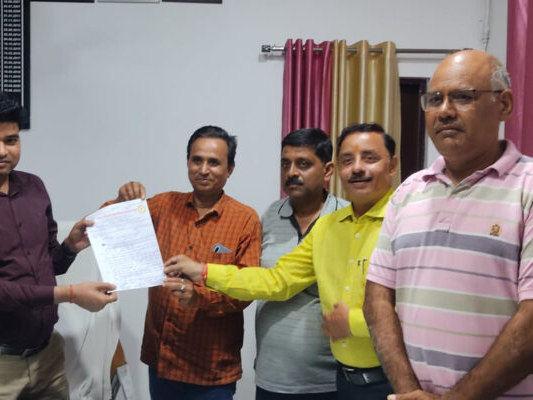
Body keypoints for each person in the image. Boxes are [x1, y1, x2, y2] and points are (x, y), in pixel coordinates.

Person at [364, 50, 533, 400]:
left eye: (462, 97)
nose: (444, 111)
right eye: (434, 99)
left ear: (504, 105)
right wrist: (408, 390)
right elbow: (377, 299)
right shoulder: (408, 192)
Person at [165, 123, 399, 400]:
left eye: (369, 158)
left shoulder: (406, 221)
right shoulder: (327, 227)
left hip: (382, 378)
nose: (357, 168)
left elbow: (418, 311)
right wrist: (203, 271)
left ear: (392, 166)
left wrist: (354, 323)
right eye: (348, 160)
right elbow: (276, 280)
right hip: (312, 378)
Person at [0, 90, 117, 400]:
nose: (2, 150)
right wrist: (71, 294)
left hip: (47, 356)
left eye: (11, 140)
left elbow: (47, 266)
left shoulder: (33, 187)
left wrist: (69, 247)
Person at [108, 125, 261, 400]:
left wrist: (198, 296)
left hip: (211, 368)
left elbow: (247, 289)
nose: (203, 169)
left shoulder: (245, 219)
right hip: (162, 360)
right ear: (187, 162)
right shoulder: (164, 205)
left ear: (230, 169)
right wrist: (121, 202)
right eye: (196, 160)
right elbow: (109, 230)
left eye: (214, 162)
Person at [256, 128, 348, 400]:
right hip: (270, 375)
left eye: (303, 164)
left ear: (328, 170)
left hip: (327, 381)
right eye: (285, 164)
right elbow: (258, 280)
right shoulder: (271, 215)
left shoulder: (347, 218)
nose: (291, 172)